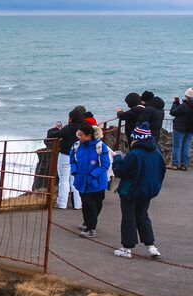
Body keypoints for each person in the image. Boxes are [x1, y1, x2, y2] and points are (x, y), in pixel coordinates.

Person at [111, 122, 166, 259]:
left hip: (131, 190)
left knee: (128, 217)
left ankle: (127, 248)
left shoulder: (134, 154)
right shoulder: (157, 152)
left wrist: (117, 158)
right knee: (142, 216)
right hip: (148, 190)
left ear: (136, 139)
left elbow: (121, 172)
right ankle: (151, 246)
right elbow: (162, 170)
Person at [69, 123, 111, 237]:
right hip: (82, 180)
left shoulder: (101, 147)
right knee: (87, 204)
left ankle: (90, 222)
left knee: (97, 203)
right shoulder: (76, 146)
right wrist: (75, 171)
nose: (79, 137)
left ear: (89, 136)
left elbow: (105, 164)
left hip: (97, 181)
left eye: (81, 135)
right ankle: (90, 228)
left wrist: (93, 175)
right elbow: (72, 159)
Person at [52, 108, 84, 210]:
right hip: (79, 156)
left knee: (64, 179)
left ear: (70, 119)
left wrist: (56, 128)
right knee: (75, 179)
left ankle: (62, 203)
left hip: (65, 155)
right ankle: (78, 204)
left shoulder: (67, 129)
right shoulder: (84, 129)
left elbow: (51, 135)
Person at [170, 88, 193, 170]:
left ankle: (176, 163)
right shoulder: (185, 106)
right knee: (186, 146)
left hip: (180, 128)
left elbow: (172, 112)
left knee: (177, 146)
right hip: (190, 129)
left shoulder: (184, 105)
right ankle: (185, 164)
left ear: (188, 96)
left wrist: (175, 103)